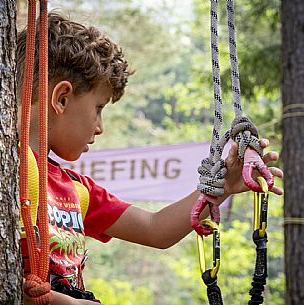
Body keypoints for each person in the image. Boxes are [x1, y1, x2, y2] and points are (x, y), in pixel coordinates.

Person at [17, 12, 284, 305]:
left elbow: (155, 229)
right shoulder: (12, 171)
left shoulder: (75, 190)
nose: (99, 127)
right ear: (62, 98)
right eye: (98, 107)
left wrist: (221, 188)